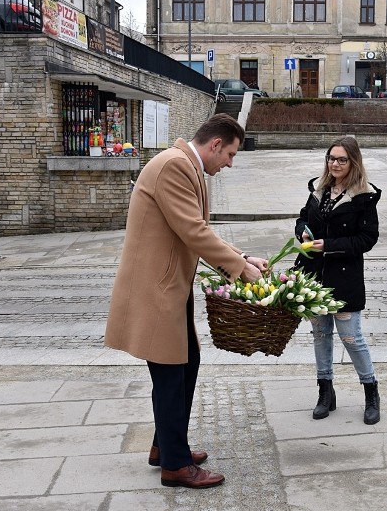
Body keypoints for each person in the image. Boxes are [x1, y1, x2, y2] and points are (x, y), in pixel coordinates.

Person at [104, 114, 268, 489]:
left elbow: (198, 228)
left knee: (182, 366)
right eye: (229, 154)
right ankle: (175, 465)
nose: (229, 163)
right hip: (156, 291)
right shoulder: (175, 166)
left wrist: (242, 257)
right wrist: (241, 270)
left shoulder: (183, 165)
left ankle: (165, 446)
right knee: (170, 374)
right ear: (214, 145)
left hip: (167, 289)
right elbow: (193, 231)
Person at [294, 136, 383, 425]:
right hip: (313, 276)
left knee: (351, 338)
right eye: (331, 158)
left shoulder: (363, 197)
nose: (334, 164)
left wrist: (329, 245)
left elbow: (368, 238)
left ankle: (371, 393)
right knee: (320, 336)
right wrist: (304, 233)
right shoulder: (319, 190)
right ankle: (325, 393)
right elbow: (302, 218)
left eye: (341, 159)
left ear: (353, 162)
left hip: (344, 278)